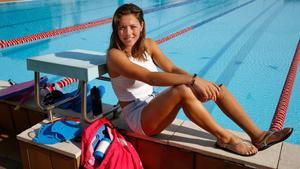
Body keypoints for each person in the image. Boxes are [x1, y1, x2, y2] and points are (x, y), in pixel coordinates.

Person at [106, 3, 293, 156]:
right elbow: (150, 77)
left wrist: (200, 82)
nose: (128, 33)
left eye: (132, 26)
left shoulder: (148, 44)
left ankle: (258, 135)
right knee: (182, 89)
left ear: (142, 26)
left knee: (217, 89)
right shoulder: (115, 55)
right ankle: (225, 139)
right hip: (139, 119)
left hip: (154, 104)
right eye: (122, 28)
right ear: (116, 29)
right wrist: (193, 81)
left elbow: (171, 69)